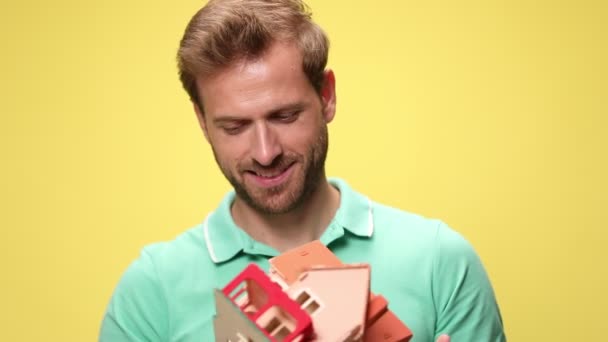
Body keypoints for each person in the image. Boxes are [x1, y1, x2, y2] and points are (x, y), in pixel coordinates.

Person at [99, 0, 506, 341]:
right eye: (235, 126)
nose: (264, 152)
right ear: (203, 122)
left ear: (326, 96)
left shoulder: (439, 261)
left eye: (285, 115)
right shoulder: (151, 290)